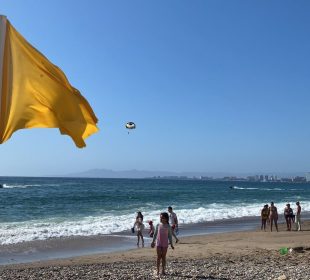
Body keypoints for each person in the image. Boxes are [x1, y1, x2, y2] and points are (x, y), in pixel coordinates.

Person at [151, 212, 174, 276]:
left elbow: (170, 236)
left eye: (162, 218)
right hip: (158, 243)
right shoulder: (158, 225)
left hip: (165, 244)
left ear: (166, 219)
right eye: (160, 218)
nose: (161, 219)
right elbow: (155, 234)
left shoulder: (168, 226)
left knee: (163, 257)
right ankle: (158, 270)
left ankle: (163, 270)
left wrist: (171, 244)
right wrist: (153, 241)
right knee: (158, 257)